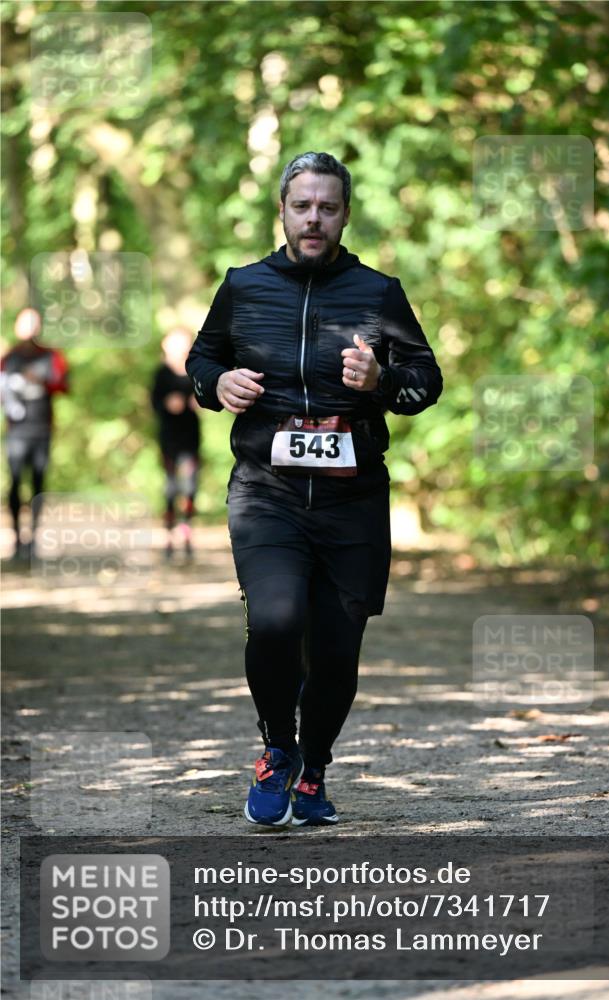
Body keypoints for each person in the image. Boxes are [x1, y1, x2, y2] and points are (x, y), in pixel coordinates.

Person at [186, 151, 442, 827]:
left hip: (351, 497)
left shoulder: (379, 293)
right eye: (302, 205)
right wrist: (216, 385)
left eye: (327, 207)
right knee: (273, 621)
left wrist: (380, 383)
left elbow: (426, 382)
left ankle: (314, 770)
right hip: (266, 490)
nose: (313, 218)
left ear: (344, 214)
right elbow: (201, 357)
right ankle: (276, 750)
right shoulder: (243, 286)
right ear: (282, 209)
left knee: (335, 648)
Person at [1, 308, 68, 560]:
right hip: (16, 430)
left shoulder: (52, 356)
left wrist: (42, 382)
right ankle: (17, 540)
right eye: (25, 323)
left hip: (42, 428)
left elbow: (64, 384)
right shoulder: (9, 357)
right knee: (15, 483)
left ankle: (35, 540)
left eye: (34, 323)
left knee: (39, 484)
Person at [151, 328, 201, 562]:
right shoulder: (161, 372)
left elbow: (207, 398)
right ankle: (169, 535)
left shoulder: (195, 371)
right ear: (165, 344)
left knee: (190, 487)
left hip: (190, 438)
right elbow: (154, 402)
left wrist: (198, 402)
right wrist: (168, 404)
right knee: (171, 488)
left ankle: (187, 532)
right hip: (169, 439)